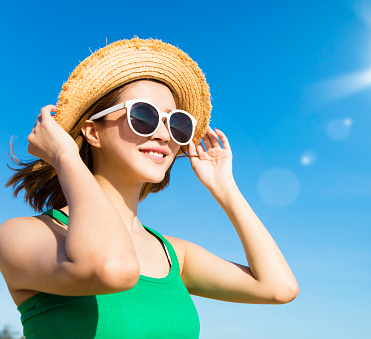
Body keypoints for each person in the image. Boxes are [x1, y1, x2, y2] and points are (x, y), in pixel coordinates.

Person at [0, 38, 298, 338]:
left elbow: (278, 287)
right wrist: (65, 157)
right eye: (144, 116)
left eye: (176, 123)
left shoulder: (174, 256)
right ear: (93, 132)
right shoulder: (21, 235)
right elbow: (113, 268)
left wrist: (224, 188)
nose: (164, 134)